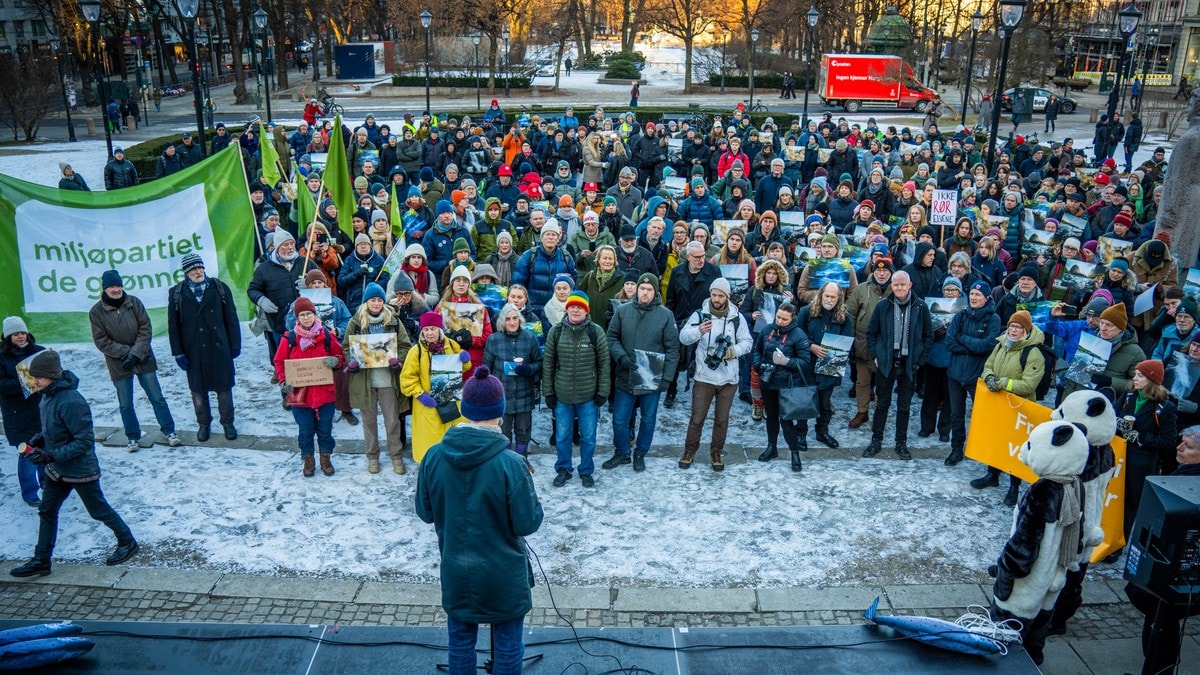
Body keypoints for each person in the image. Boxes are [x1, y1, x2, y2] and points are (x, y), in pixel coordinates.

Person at [415, 366, 544, 675]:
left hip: (457, 568)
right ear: (499, 412)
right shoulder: (512, 463)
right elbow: (528, 523)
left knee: (459, 642)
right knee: (509, 645)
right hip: (504, 574)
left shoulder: (433, 456)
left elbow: (425, 512)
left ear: (466, 409)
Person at [9, 350, 139, 578]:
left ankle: (127, 542)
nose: (34, 381)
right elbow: (54, 426)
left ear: (50, 375)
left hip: (80, 471)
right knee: (47, 511)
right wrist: (40, 438)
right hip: (57, 470)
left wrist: (49, 455)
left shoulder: (71, 401)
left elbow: (84, 441)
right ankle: (41, 560)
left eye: (37, 376)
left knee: (98, 510)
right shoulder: (47, 395)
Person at [989, 420, 1090, 666]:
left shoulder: (1041, 491)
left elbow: (1024, 546)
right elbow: (1078, 531)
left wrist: (1005, 574)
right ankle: (1034, 661)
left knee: (1006, 633)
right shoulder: (1075, 484)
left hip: (1029, 582)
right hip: (1054, 575)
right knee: (1038, 630)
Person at [1124, 424, 1200, 675]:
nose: (1178, 448)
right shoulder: (1184, 473)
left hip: (1173, 574)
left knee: (1162, 626)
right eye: (1181, 442)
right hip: (1170, 573)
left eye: (1187, 446)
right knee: (1159, 624)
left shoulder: (1188, 482)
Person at [88, 270, 179, 452]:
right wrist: (124, 353)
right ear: (105, 289)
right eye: (111, 287)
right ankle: (132, 437)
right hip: (119, 363)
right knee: (125, 403)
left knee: (157, 397)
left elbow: (145, 328)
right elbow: (101, 340)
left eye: (118, 285)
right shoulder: (96, 312)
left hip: (143, 358)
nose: (116, 289)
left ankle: (169, 431)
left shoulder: (134, 302)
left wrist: (136, 353)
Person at [603, 273, 680, 472]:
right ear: (637, 289)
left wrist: (667, 378)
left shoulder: (665, 315)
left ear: (655, 292)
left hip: (650, 378)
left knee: (648, 418)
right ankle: (622, 452)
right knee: (619, 419)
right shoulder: (622, 311)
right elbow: (611, 337)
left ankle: (640, 452)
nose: (645, 292)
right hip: (625, 374)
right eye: (642, 288)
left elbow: (672, 348)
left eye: (649, 289)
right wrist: (621, 357)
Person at [974, 310, 1048, 506]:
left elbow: (1028, 385)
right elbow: (988, 365)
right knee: (997, 440)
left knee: (1015, 447)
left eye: (1018, 327)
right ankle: (992, 475)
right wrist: (989, 377)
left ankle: (1014, 487)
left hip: (1019, 408)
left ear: (1026, 330)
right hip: (999, 404)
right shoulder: (1001, 344)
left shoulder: (1033, 353)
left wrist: (1002, 383)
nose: (1013, 330)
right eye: (1011, 326)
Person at [679, 278, 753, 470]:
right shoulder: (700, 314)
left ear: (727, 296)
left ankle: (716, 452)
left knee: (722, 419)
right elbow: (683, 337)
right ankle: (689, 450)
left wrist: (732, 351)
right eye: (714, 294)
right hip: (704, 376)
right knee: (697, 418)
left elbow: (748, 342)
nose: (717, 299)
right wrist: (698, 331)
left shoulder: (737, 317)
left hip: (729, 378)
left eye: (721, 295)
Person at [167, 254, 241, 443]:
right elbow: (173, 325)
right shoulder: (177, 293)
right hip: (193, 350)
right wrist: (178, 352)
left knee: (224, 388)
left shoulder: (219, 287)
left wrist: (235, 345)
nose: (198, 271)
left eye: (200, 267)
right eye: (193, 269)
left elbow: (231, 318)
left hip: (219, 347)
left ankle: (227, 422)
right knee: (198, 391)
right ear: (186, 272)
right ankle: (204, 424)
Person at [543, 291, 610, 488]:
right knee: (562, 436)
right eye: (572, 306)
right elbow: (548, 364)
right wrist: (548, 392)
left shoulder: (595, 332)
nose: (575, 310)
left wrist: (602, 391)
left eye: (579, 307)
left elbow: (604, 364)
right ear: (567, 308)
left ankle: (586, 469)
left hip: (588, 396)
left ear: (586, 310)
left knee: (588, 437)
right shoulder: (555, 332)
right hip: (562, 395)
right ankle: (564, 468)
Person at [345, 283, 414, 475]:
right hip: (365, 381)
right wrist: (351, 360)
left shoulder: (393, 321)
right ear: (366, 302)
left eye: (379, 300)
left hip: (387, 380)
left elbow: (405, 345)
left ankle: (396, 456)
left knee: (392, 420)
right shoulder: (356, 322)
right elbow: (346, 346)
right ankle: (373, 456)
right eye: (373, 300)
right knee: (369, 421)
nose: (376, 303)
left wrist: (397, 360)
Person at [864, 270, 933, 459]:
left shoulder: (920, 307)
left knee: (904, 406)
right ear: (891, 286)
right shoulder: (883, 306)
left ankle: (900, 442)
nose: (899, 288)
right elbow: (871, 332)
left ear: (909, 285)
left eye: (903, 284)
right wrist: (876, 355)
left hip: (909, 364)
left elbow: (928, 335)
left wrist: (920, 360)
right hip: (886, 362)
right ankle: (876, 440)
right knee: (882, 404)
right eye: (896, 285)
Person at [275, 296, 346, 477]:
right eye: (302, 315)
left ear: (315, 315)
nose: (306, 318)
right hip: (300, 396)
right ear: (297, 318)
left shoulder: (327, 336)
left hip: (325, 394)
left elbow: (340, 356)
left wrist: (335, 361)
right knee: (305, 429)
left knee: (325, 429)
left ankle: (325, 456)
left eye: (309, 314)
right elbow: (279, 362)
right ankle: (308, 458)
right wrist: (284, 381)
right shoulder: (289, 338)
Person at [1115, 360, 1178, 540]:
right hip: (1119, 456)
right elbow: (1113, 413)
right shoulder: (1129, 395)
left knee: (1129, 504)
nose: (1135, 378)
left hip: (1141, 464)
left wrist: (1140, 437)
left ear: (1151, 379)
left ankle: (1119, 542)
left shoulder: (1165, 408)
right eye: (1135, 374)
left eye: (1140, 375)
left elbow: (1168, 442)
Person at [400, 312, 472, 463]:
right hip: (428, 406)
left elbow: (463, 368)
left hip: (452, 401)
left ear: (439, 330)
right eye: (426, 330)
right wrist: (421, 395)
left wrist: (465, 360)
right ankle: (430, 469)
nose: (429, 333)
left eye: (433, 329)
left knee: (453, 440)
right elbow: (407, 379)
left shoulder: (452, 345)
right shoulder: (416, 352)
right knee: (430, 445)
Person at [945, 280, 1002, 465]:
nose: (974, 298)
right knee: (956, 415)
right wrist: (972, 347)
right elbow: (949, 342)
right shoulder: (961, 316)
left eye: (978, 295)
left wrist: (963, 339)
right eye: (972, 295)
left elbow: (987, 345)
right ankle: (956, 448)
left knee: (982, 416)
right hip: (955, 374)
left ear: (986, 297)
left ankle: (981, 448)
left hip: (977, 377)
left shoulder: (993, 319)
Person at [751, 301, 814, 471]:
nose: (779, 321)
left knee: (786, 420)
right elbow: (756, 349)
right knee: (771, 417)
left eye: (784, 319)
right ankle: (772, 447)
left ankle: (794, 453)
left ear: (792, 319)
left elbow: (805, 362)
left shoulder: (799, 335)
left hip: (787, 385)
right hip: (768, 381)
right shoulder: (766, 330)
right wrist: (758, 364)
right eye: (778, 317)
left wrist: (786, 362)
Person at [483, 304, 543, 471]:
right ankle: (506, 461)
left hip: (524, 393)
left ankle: (522, 460)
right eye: (508, 319)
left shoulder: (529, 338)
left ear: (520, 319)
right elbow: (486, 368)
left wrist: (529, 369)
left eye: (515, 318)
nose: (512, 322)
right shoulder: (494, 339)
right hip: (502, 395)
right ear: (503, 321)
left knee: (523, 431)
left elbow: (540, 363)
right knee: (504, 432)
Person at [797, 281, 853, 449]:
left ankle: (822, 432)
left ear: (839, 298)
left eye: (833, 297)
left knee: (825, 403)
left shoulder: (845, 318)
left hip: (829, 367)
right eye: (826, 296)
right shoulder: (806, 312)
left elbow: (846, 342)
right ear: (821, 295)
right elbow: (797, 337)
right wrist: (810, 345)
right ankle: (801, 434)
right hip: (808, 364)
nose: (829, 299)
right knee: (805, 401)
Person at [1, 317, 46, 506]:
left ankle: (49, 483)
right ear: (7, 336)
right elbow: (2, 385)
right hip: (17, 414)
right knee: (27, 453)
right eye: (15, 334)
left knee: (45, 448)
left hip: (41, 409)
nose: (20, 336)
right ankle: (30, 492)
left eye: (22, 332)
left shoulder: (40, 352)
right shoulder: (1, 358)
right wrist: (27, 382)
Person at [846, 257, 894, 429]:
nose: (881, 274)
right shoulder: (860, 290)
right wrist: (850, 342)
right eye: (878, 270)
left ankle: (878, 415)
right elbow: (850, 315)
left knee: (883, 383)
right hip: (863, 344)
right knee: (862, 381)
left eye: (885, 271)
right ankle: (862, 412)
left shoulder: (895, 291)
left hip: (885, 348)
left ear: (891, 272)